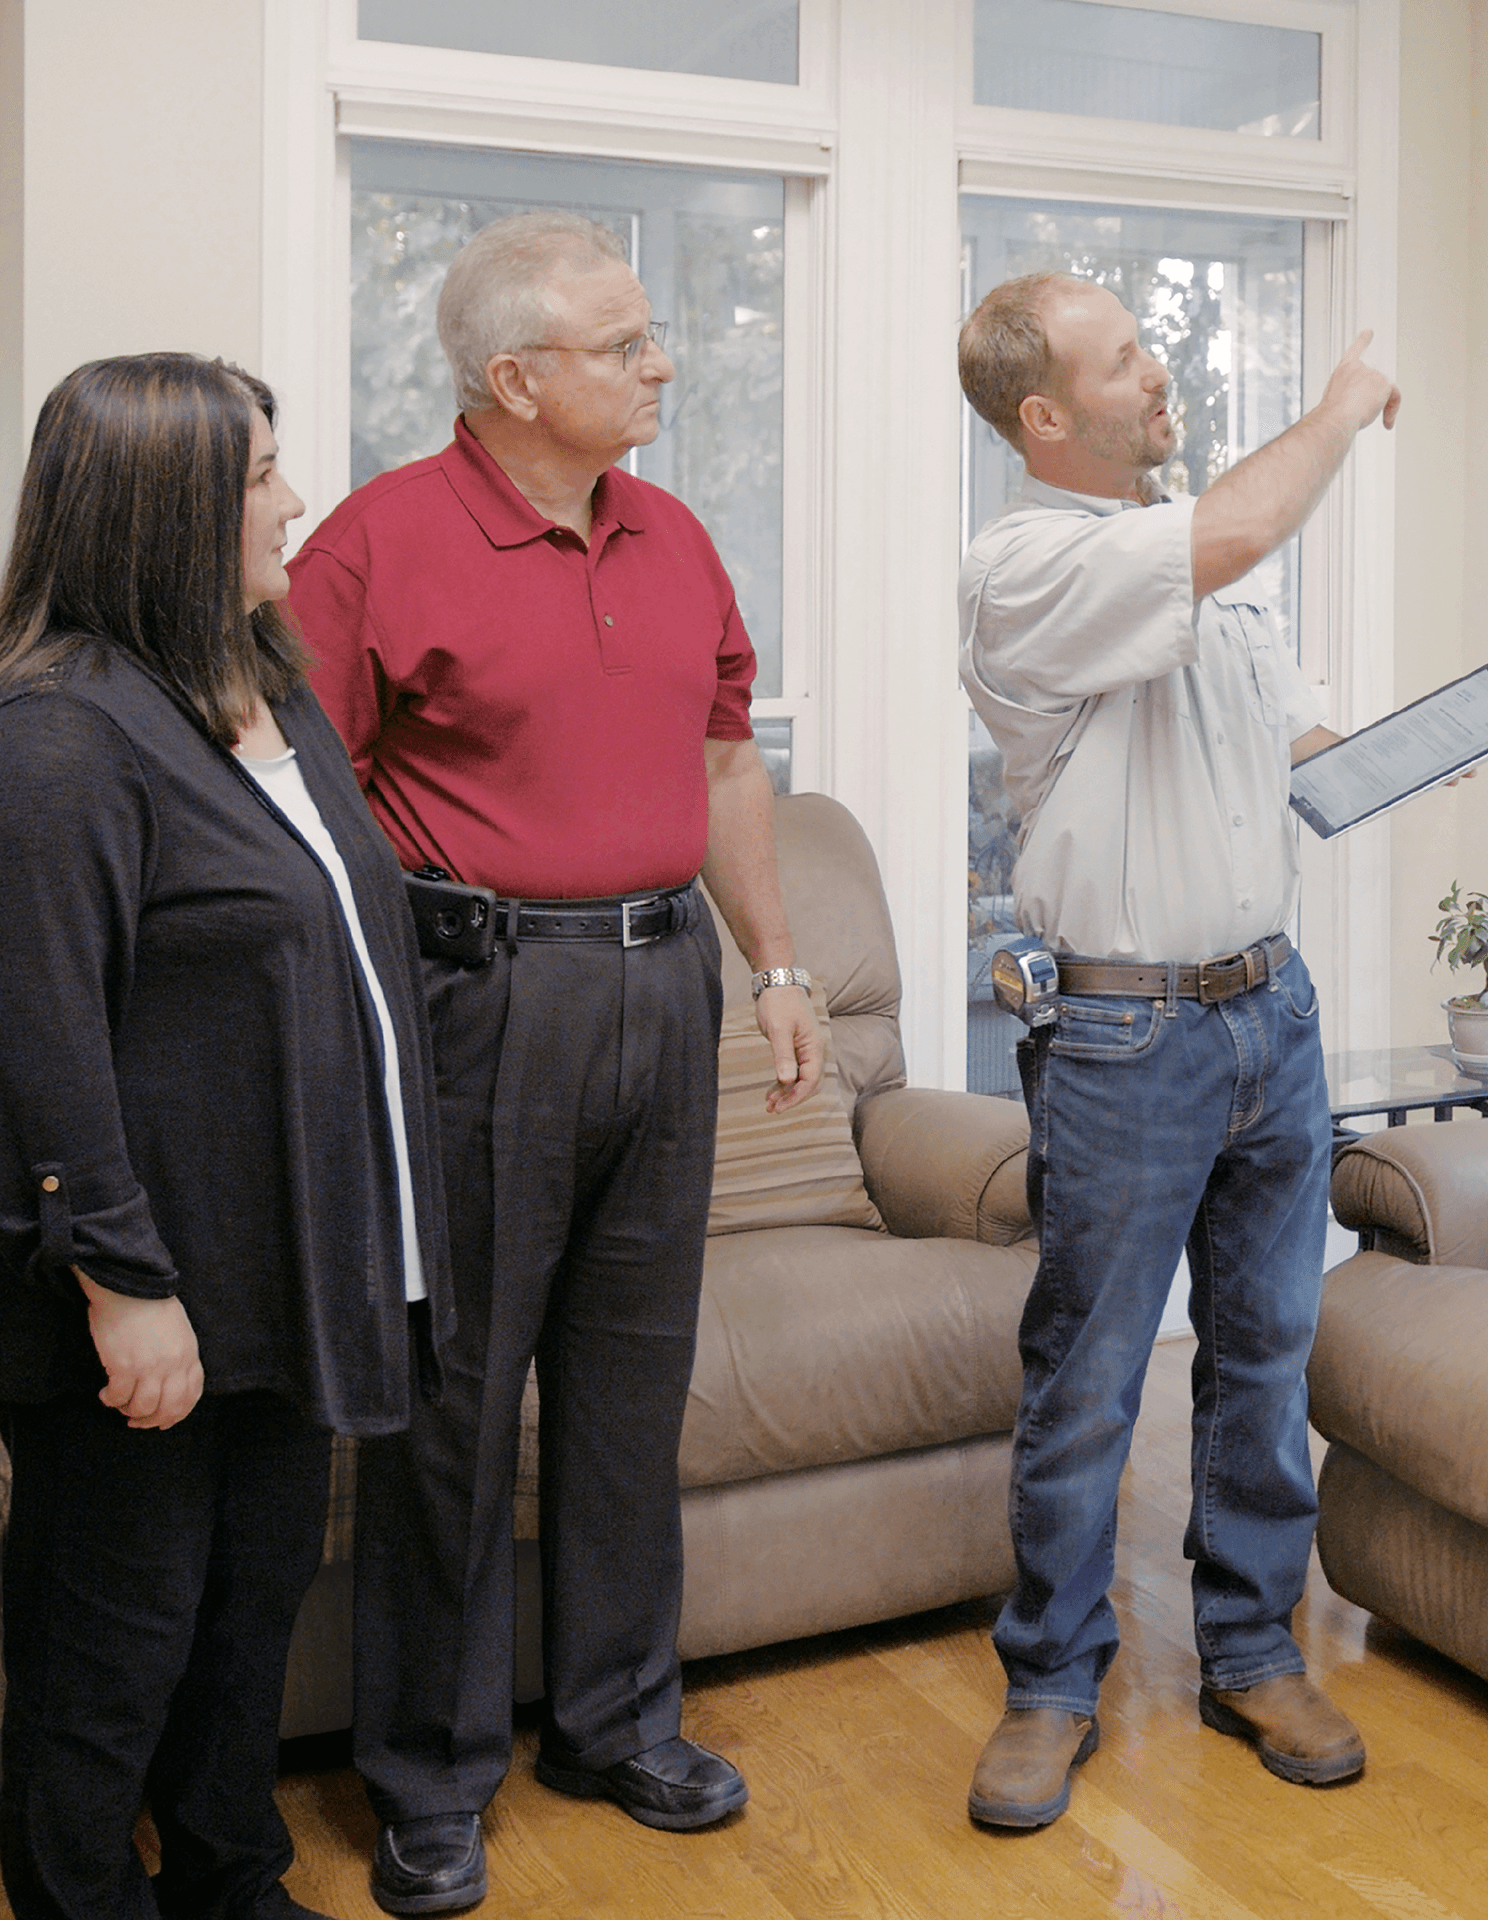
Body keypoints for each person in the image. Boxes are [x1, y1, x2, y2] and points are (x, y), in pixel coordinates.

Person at [285, 211, 820, 1917]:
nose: (665, 363)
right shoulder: (375, 545)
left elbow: (729, 765)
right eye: (627, 342)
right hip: (478, 1007)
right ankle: (430, 1777)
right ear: (515, 376)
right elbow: (304, 803)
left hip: (667, 995)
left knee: (627, 1383)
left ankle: (613, 1721)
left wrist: (780, 967)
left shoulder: (675, 534)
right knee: (456, 1403)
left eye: (654, 336)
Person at [0, 354, 450, 1920]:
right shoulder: (59, 736)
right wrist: (124, 1284)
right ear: (165, 505)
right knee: (110, 1644)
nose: (296, 498)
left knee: (252, 1608)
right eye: (263, 474)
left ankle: (230, 1877)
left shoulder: (269, 690)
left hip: (288, 1264)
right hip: (147, 1294)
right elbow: (39, 1042)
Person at [954, 273, 1400, 1828]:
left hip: (1273, 1009)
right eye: (1125, 356)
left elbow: (1295, 742)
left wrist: (1417, 747)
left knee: (1267, 1352)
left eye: (1150, 345)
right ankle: (1051, 1685)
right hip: (1124, 1032)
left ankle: (1249, 1651)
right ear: (1044, 415)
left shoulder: (1220, 561)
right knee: (1086, 1376)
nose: (1159, 373)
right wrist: (1339, 412)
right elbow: (1223, 538)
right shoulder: (1024, 566)